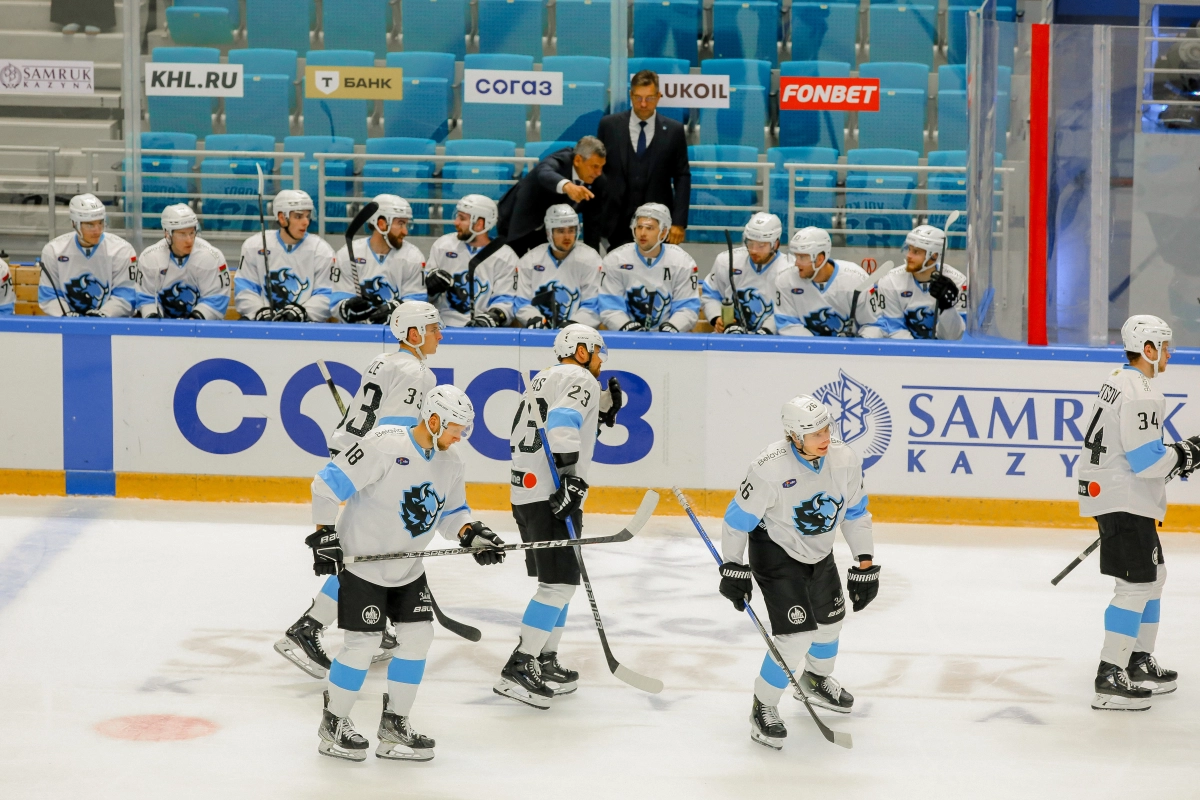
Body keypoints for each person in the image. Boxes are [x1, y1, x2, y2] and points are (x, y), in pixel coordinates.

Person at [309, 384, 506, 762]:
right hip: (363, 566)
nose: (459, 436)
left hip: (407, 568)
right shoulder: (384, 444)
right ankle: (333, 723)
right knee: (363, 645)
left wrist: (471, 534)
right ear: (433, 420)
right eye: (454, 428)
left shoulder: (452, 462)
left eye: (464, 429)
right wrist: (324, 535)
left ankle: (394, 725)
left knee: (418, 638)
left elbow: (451, 513)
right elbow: (325, 485)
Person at [275, 302, 445, 680]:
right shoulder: (419, 373)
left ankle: (369, 624)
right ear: (414, 334)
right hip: (379, 466)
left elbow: (366, 414)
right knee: (367, 555)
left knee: (366, 550)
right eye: (434, 328)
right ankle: (308, 628)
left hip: (353, 453)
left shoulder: (382, 361)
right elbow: (398, 429)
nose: (440, 334)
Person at [718, 396, 880, 750]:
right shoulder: (767, 468)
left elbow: (855, 513)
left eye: (827, 429)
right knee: (795, 638)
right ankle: (763, 706)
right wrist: (732, 565)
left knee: (830, 624)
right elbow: (737, 519)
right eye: (814, 433)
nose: (824, 438)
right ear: (793, 435)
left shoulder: (845, 459)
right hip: (775, 551)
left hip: (819, 552)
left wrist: (864, 562)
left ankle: (815, 680)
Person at [495, 324, 622, 708]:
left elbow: (562, 417)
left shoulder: (545, 379)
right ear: (580, 350)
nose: (601, 360)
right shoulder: (580, 375)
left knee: (559, 580)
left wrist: (603, 413)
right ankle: (520, 665)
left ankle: (544, 657)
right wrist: (569, 475)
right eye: (597, 351)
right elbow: (563, 421)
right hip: (552, 493)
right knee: (559, 586)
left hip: (527, 491)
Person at [1078, 315, 1200, 711]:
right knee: (1134, 586)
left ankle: (1137, 660)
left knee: (1154, 576)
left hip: (1119, 493)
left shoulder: (1118, 379)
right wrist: (1186, 454)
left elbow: (1136, 450)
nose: (1170, 353)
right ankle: (1110, 674)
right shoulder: (1142, 390)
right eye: (1164, 346)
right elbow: (1147, 461)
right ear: (1148, 349)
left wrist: (1175, 459)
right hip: (1123, 497)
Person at [597, 70, 691, 247]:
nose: (643, 103)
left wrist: (679, 222)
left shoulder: (674, 131)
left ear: (659, 96)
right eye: (638, 97)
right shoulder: (609, 126)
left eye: (649, 98)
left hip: (658, 224)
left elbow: (682, 176)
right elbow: (597, 171)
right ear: (630, 95)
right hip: (615, 224)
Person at [234, 189, 335, 322]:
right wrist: (258, 311)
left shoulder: (322, 251)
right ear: (282, 218)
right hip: (263, 325)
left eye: (307, 216)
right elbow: (245, 287)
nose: (306, 222)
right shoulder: (254, 246)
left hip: (306, 327)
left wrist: (303, 312)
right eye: (298, 216)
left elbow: (326, 293)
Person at [497, 137, 608, 257]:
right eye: (595, 166)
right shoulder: (562, 160)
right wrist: (567, 185)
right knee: (513, 265)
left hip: (548, 231)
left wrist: (593, 259)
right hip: (518, 219)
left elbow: (593, 224)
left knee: (547, 268)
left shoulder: (598, 182)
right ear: (577, 160)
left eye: (602, 167)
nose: (599, 172)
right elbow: (544, 172)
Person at [597, 203, 699, 332]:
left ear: (664, 232)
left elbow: (687, 307)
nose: (642, 233)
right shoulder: (615, 260)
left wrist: (671, 329)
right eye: (639, 227)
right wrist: (627, 328)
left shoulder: (682, 262)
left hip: (669, 342)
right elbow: (610, 306)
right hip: (626, 340)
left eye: (649, 228)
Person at [424, 195, 520, 328]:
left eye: (462, 218)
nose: (456, 222)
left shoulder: (505, 256)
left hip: (484, 333)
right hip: (441, 329)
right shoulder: (443, 246)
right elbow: (422, 295)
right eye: (457, 217)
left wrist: (494, 316)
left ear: (480, 224)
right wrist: (430, 288)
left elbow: (506, 299)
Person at [331, 195, 427, 324]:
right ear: (381, 224)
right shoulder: (347, 254)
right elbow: (336, 301)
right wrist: (347, 307)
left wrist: (398, 309)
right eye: (400, 224)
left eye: (406, 224)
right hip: (355, 336)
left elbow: (417, 300)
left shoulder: (413, 257)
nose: (405, 231)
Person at [858, 225, 966, 340]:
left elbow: (956, 337)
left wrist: (948, 309)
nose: (908, 255)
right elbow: (895, 330)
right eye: (909, 249)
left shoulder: (959, 282)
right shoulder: (890, 281)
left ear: (934, 256)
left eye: (916, 252)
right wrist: (917, 354)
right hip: (906, 354)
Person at [39, 193, 137, 317]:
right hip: (65, 326)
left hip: (112, 325)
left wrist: (103, 314)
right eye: (90, 225)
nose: (97, 230)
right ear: (75, 224)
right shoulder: (53, 250)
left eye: (100, 223)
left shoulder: (122, 250)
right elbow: (49, 294)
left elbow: (126, 295)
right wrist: (65, 315)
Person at [775, 227, 876, 337]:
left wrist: (856, 346)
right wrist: (819, 348)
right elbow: (787, 324)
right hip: (807, 353)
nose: (796, 263)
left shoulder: (857, 279)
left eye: (802, 257)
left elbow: (874, 324)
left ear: (820, 259)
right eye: (796, 256)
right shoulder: (785, 280)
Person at [513, 204, 602, 329]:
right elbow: (522, 302)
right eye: (561, 231)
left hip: (577, 337)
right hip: (538, 335)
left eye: (571, 230)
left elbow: (593, 304)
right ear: (549, 232)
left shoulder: (591, 259)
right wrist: (533, 318)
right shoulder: (530, 260)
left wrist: (574, 324)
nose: (567, 237)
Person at [134, 204, 229, 320]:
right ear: (167, 234)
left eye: (192, 233)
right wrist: (153, 319)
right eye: (182, 234)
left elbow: (216, 298)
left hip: (202, 330)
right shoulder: (150, 258)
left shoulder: (212, 257)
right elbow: (146, 297)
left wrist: (193, 321)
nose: (189, 240)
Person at [700, 212, 789, 334]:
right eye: (750, 243)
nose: (753, 250)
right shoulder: (726, 260)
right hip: (729, 337)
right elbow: (710, 295)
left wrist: (766, 331)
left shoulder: (789, 269)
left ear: (776, 244)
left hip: (772, 342)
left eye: (761, 246)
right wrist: (716, 317)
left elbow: (789, 310)